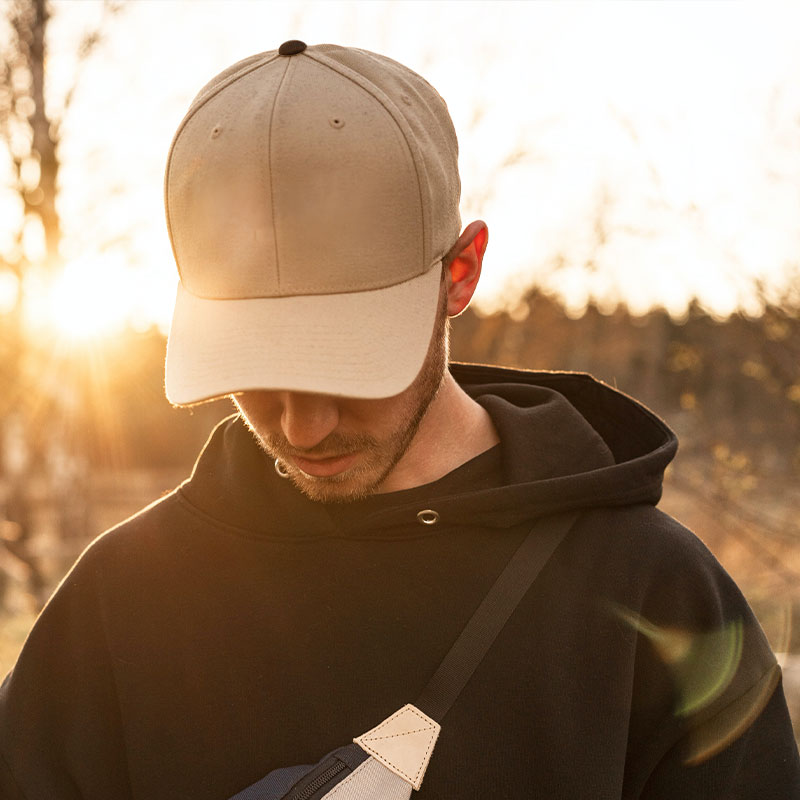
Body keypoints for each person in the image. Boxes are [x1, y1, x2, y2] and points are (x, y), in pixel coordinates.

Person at [1, 41, 798, 800]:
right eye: (255, 370)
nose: (302, 428)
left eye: (347, 366)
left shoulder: (653, 594)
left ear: (460, 273)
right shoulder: (122, 597)